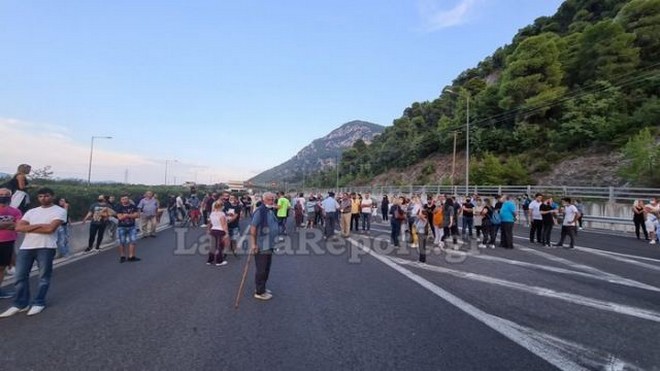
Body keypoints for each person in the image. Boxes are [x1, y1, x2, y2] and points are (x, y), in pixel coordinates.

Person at [0, 187, 66, 317]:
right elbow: (19, 227)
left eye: (46, 196)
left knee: (43, 277)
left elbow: (50, 229)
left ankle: (39, 302)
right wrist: (41, 225)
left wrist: (29, 227)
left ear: (52, 196)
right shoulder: (32, 211)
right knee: (20, 277)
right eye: (41, 196)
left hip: (46, 247)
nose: (43, 198)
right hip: (26, 247)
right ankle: (20, 304)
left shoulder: (60, 211)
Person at [250, 192, 279, 301]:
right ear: (264, 200)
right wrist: (253, 244)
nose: (272, 201)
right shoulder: (260, 211)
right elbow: (253, 228)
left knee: (266, 268)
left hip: (269, 244)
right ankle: (259, 292)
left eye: (273, 199)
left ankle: (262, 287)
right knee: (261, 269)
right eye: (270, 199)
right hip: (262, 245)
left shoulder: (269, 210)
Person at [0, 188, 22, 299]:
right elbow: (13, 224)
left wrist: (3, 224)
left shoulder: (15, 211)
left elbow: (18, 226)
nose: (4, 196)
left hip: (8, 242)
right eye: (1, 194)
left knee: (2, 267)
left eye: (6, 194)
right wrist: (10, 223)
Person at [113, 195, 141, 263]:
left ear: (128, 199)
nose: (125, 200)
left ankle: (131, 256)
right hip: (122, 227)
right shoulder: (119, 207)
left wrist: (126, 215)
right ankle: (122, 256)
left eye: (126, 199)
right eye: (123, 199)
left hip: (132, 226)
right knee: (122, 242)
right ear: (121, 200)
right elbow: (120, 218)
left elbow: (137, 215)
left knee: (133, 241)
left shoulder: (133, 206)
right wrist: (131, 215)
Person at [207, 201, 229, 266]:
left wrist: (208, 229)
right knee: (219, 246)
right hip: (220, 230)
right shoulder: (222, 214)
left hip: (213, 230)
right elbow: (223, 224)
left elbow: (210, 223)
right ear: (221, 206)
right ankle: (219, 261)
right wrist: (226, 233)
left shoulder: (212, 213)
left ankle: (210, 260)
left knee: (212, 246)